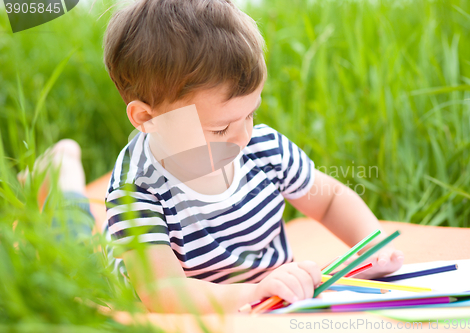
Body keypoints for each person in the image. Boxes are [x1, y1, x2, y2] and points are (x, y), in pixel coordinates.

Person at [102, 0, 405, 314]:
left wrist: (371, 244)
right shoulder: (136, 190)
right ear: (147, 119)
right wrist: (255, 292)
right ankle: (62, 174)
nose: (242, 136)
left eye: (251, 114)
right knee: (73, 238)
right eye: (220, 129)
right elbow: (163, 291)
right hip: (191, 300)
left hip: (261, 291)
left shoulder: (263, 149)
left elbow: (329, 200)